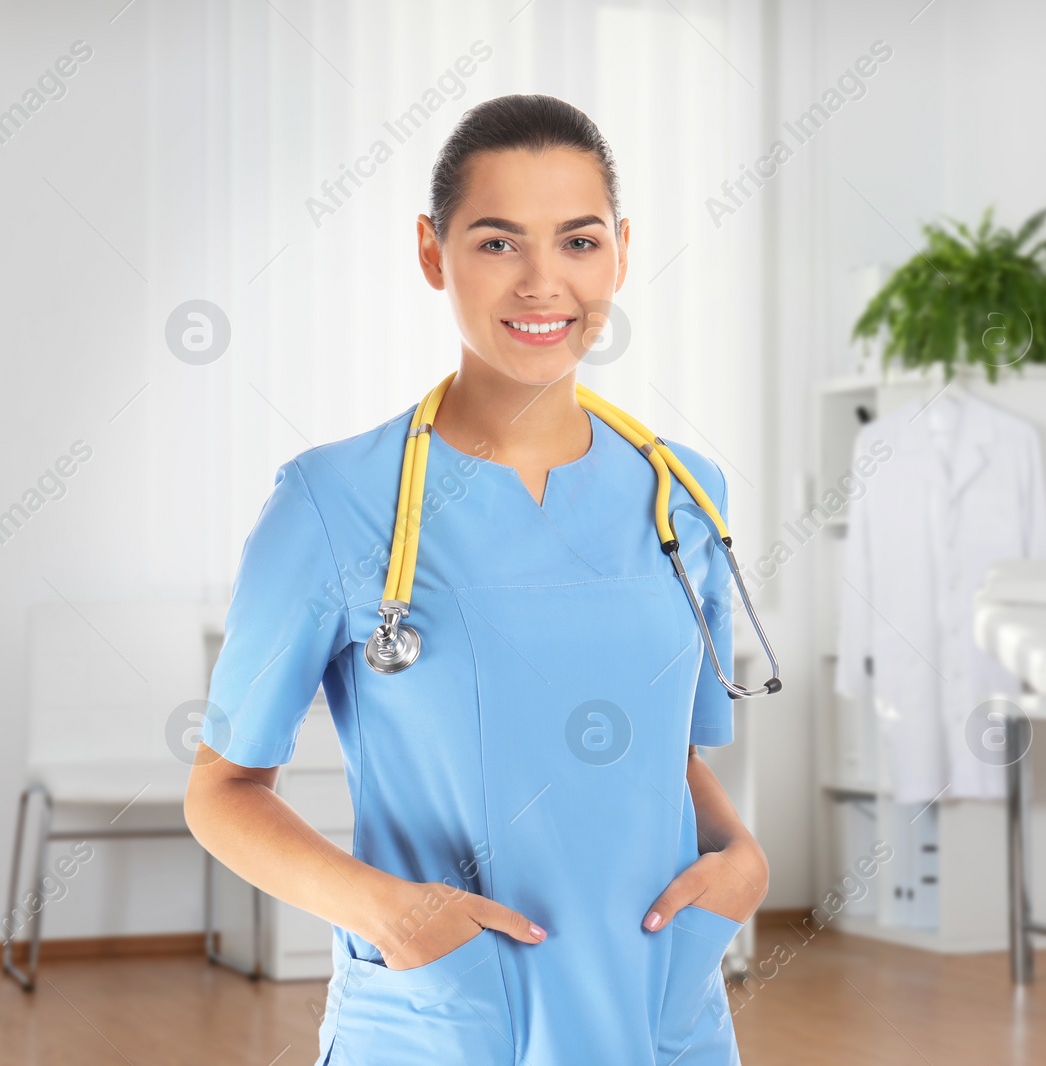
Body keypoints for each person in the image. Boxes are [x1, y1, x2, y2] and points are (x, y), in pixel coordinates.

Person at [183, 93, 767, 1065]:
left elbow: (667, 751)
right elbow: (223, 790)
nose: (544, 283)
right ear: (431, 251)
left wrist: (740, 856)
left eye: (578, 242)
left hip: (664, 1013)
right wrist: (385, 910)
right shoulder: (334, 502)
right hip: (448, 1020)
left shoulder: (682, 492)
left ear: (620, 250)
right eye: (499, 243)